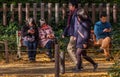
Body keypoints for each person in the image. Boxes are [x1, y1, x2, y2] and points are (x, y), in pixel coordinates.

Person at [62, 0, 78, 65]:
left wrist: (75, 35)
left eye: (70, 5)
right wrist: (64, 33)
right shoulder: (72, 13)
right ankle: (79, 65)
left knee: (70, 48)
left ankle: (78, 64)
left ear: (74, 6)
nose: (69, 7)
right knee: (76, 50)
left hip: (75, 34)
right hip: (73, 33)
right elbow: (69, 24)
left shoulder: (76, 13)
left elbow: (77, 25)